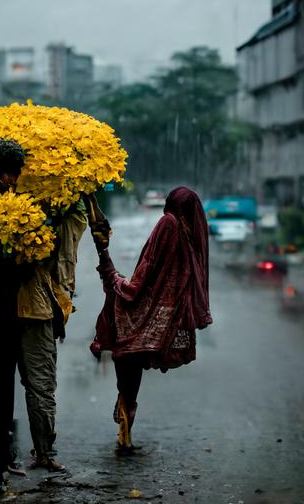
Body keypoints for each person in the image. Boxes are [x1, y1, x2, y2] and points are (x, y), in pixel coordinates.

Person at [0, 138, 88, 492]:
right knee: (34, 387)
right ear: (9, 173)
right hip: (17, 312)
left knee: (1, 390)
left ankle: (3, 464)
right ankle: (13, 460)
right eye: (14, 174)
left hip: (2, 313)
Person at [88, 187, 212, 453]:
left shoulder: (169, 223)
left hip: (145, 308)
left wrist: (115, 278)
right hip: (165, 315)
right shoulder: (188, 230)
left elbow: (149, 266)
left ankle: (125, 427)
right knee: (132, 367)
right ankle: (125, 429)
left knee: (128, 363)